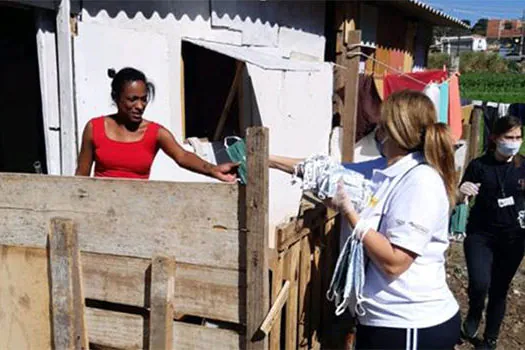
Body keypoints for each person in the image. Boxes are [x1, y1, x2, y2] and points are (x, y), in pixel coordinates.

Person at [272, 90, 460, 349]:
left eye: (381, 122)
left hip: (411, 325)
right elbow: (323, 170)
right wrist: (264, 158)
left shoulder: (421, 182)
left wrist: (350, 213)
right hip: (381, 320)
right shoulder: (382, 169)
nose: (376, 128)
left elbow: (395, 262)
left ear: (392, 129)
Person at [76, 67, 237, 182]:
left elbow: (182, 156)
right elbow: (81, 177)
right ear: (116, 97)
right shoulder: (94, 128)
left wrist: (214, 169)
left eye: (143, 99)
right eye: (132, 99)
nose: (140, 106)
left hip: (140, 214)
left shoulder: (155, 133)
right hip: (98, 214)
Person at [458, 116, 525, 350]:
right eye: (509, 137)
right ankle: (475, 311)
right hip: (481, 235)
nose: (514, 142)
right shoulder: (479, 166)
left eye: (518, 137)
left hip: (514, 238)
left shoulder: (522, 166)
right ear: (495, 138)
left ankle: (490, 339)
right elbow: (459, 196)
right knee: (479, 282)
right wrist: (462, 191)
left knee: (499, 289)